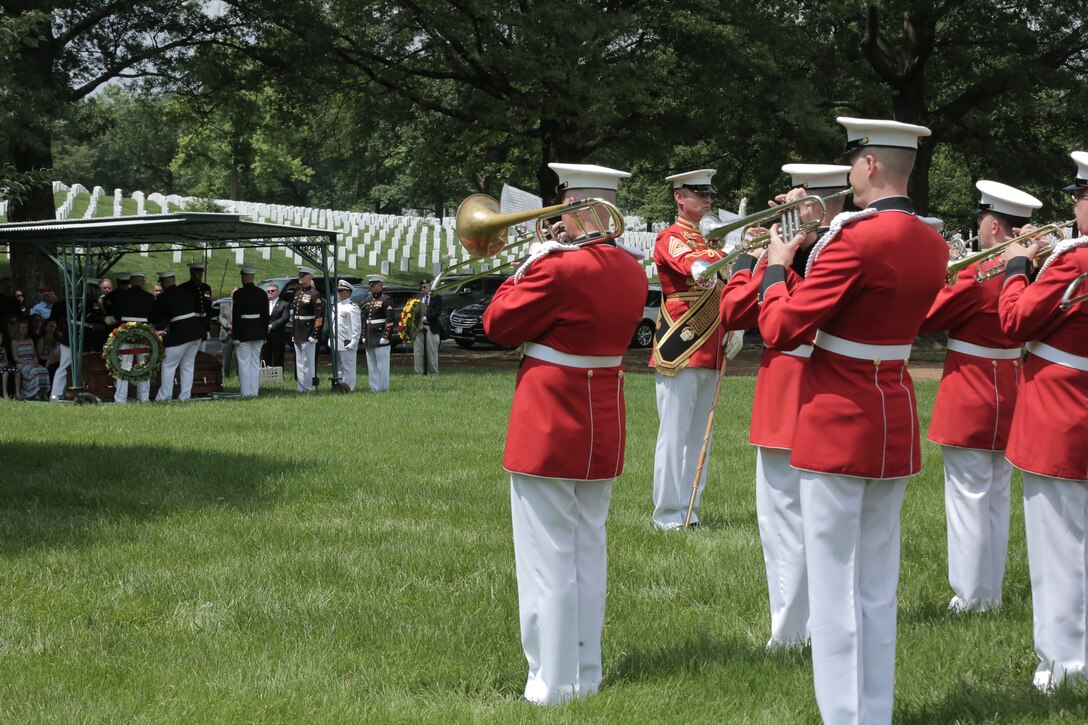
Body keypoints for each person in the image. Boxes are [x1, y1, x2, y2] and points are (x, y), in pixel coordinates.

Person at [758, 118, 948, 724]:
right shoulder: (931, 240)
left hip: (838, 416)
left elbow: (780, 328)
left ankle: (844, 715)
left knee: (835, 582)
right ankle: (874, 710)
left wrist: (774, 267)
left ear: (868, 166)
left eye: (853, 163)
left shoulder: (856, 239)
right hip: (892, 410)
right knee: (875, 582)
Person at [482, 162, 648, 706]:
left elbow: (498, 326)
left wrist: (527, 265)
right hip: (603, 417)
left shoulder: (557, 269)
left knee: (545, 558)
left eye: (564, 205)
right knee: (585, 552)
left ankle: (551, 685)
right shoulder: (630, 268)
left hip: (551, 420)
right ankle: (585, 672)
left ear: (577, 205)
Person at [720, 162, 851, 648]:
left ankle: (792, 632)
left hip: (791, 388)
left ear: (812, 205)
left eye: (792, 200)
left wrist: (752, 259)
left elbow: (734, 312)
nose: (781, 206)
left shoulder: (806, 261)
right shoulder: (844, 251)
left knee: (784, 521)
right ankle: (818, 623)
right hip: (832, 388)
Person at [920, 180, 1039, 614]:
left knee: (968, 497)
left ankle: (972, 597)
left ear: (992, 226)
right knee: (995, 496)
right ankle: (989, 589)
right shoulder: (1032, 267)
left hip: (970, 390)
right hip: (1010, 382)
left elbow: (930, 317)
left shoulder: (978, 272)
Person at [998, 150, 1088, 693]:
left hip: (1061, 410)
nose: (1075, 204)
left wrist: (1015, 265)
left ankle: (1065, 664)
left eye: (1080, 195)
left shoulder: (1076, 260)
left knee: (1059, 547)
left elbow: (1013, 322)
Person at [651, 168, 731, 529]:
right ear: (679, 198)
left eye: (709, 193)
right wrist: (728, 253)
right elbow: (694, 268)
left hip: (713, 345)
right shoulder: (670, 237)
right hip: (681, 346)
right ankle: (667, 515)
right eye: (698, 193)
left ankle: (690, 511)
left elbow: (728, 286)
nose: (707, 199)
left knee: (701, 437)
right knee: (674, 435)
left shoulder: (712, 241)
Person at [154, 270, 204, 401]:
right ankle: (185, 396)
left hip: (181, 333)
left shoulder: (163, 297)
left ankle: (164, 397)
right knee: (187, 366)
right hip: (195, 332)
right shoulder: (184, 291)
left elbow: (156, 317)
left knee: (168, 365)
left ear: (164, 282)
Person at [112, 272, 158, 403]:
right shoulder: (149, 297)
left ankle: (120, 398)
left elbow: (116, 315)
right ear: (142, 282)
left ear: (131, 282)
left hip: (125, 334)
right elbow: (153, 316)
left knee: (124, 366)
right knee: (144, 366)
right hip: (144, 333)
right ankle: (144, 397)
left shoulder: (121, 297)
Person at [231, 266, 269, 398]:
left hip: (244, 333)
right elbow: (265, 316)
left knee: (244, 364)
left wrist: (236, 335)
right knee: (254, 363)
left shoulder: (238, 294)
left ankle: (246, 392)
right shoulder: (262, 293)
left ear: (244, 277)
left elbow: (236, 317)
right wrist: (265, 334)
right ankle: (254, 391)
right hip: (258, 331)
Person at [292, 267, 324, 392]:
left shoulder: (314, 294)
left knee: (308, 361)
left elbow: (319, 316)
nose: (300, 277)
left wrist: (315, 333)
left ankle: (309, 386)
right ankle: (301, 386)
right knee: (299, 361)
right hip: (298, 330)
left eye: (303, 275)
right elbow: (295, 315)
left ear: (310, 277)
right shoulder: (298, 293)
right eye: (300, 275)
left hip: (308, 330)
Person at [361, 275, 394, 392]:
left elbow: (389, 320)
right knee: (372, 363)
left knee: (382, 364)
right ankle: (373, 387)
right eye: (370, 285)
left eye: (373, 285)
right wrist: (364, 335)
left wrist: (386, 336)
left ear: (380, 286)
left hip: (380, 335)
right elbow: (365, 320)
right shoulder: (368, 300)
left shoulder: (386, 299)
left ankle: (383, 387)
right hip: (370, 335)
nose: (371, 287)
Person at [9, 318, 50, 399]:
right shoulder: (15, 341)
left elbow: (34, 354)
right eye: (22, 328)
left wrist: (36, 362)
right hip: (21, 363)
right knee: (35, 372)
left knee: (44, 370)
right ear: (18, 329)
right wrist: (27, 362)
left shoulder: (30, 340)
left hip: (32, 362)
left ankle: (44, 393)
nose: (25, 330)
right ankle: (35, 393)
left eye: (26, 328)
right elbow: (15, 357)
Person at [332, 279, 362, 391]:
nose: (339, 293)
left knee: (348, 367)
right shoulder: (336, 306)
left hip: (347, 341)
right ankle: (340, 386)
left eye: (341, 291)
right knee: (339, 367)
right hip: (337, 341)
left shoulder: (352, 307)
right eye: (338, 291)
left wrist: (354, 341)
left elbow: (356, 326)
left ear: (348, 292)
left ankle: (349, 387)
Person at [178, 261, 213, 343]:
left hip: (203, 323)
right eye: (197, 272)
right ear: (192, 272)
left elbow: (208, 307)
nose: (200, 274)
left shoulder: (206, 287)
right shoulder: (184, 288)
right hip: (191, 322)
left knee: (202, 351)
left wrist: (208, 328)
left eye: (201, 272)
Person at [413, 279, 443, 375]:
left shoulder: (437, 298)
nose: (424, 289)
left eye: (426, 286)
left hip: (431, 327)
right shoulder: (419, 298)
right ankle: (419, 372)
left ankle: (434, 372)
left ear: (431, 286)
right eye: (422, 287)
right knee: (418, 351)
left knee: (432, 352)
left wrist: (426, 318)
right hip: (419, 327)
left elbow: (437, 312)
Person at [264, 283, 289, 367]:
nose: (270, 292)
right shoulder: (264, 304)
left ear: (277, 292)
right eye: (268, 291)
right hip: (266, 336)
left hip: (278, 335)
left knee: (278, 358)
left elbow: (285, 318)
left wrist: (272, 326)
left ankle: (278, 377)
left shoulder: (284, 304)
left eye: (272, 291)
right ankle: (266, 376)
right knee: (265, 357)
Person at [218, 292, 235, 377]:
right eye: (233, 293)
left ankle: (239, 376)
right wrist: (228, 325)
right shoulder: (224, 304)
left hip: (238, 335)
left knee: (240, 359)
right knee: (226, 358)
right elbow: (221, 317)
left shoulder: (242, 304)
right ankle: (225, 376)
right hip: (226, 334)